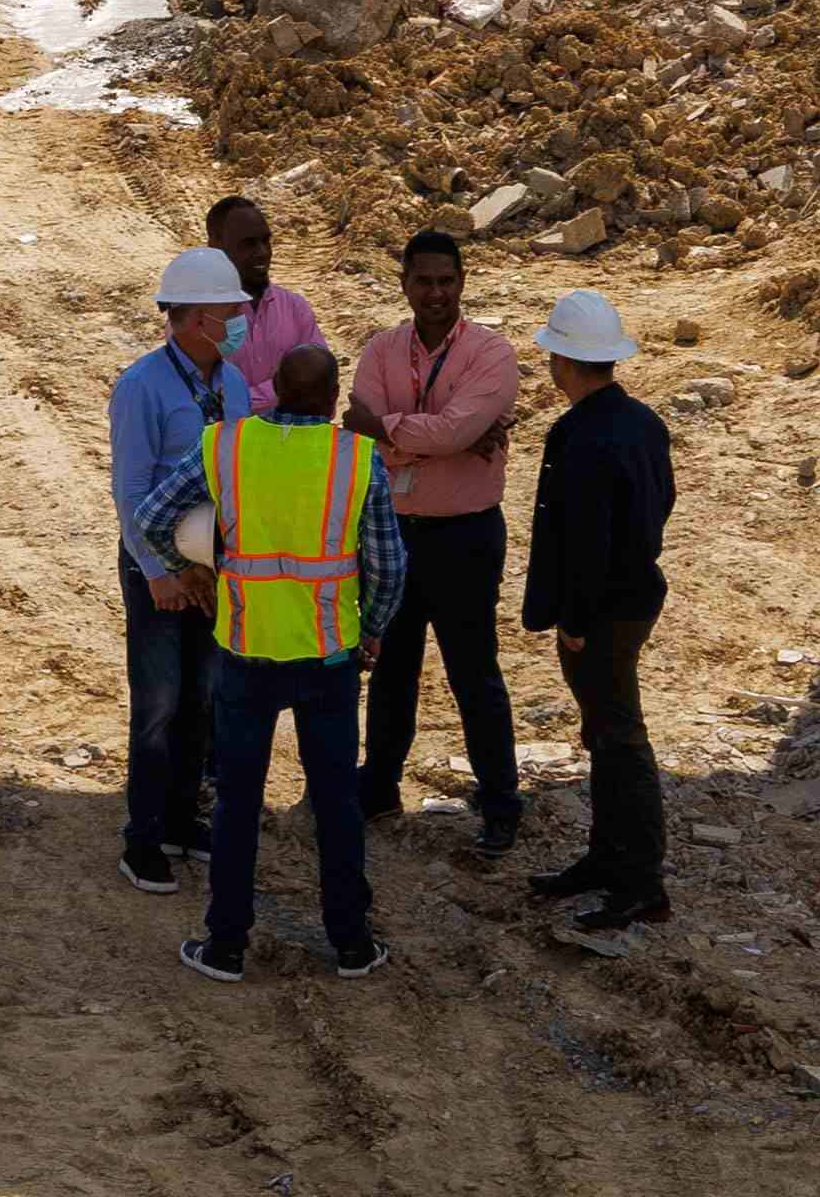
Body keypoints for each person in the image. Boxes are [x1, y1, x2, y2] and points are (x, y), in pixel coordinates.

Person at [141, 342, 409, 982]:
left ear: (278, 392)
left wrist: (191, 572)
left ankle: (226, 945)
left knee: (237, 802)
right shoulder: (356, 459)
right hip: (328, 655)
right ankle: (350, 943)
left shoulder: (226, 446)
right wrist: (371, 630)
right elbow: (390, 567)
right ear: (331, 398)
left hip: (243, 650)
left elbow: (153, 518)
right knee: (336, 801)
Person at [346, 230, 522, 857]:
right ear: (404, 284)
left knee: (473, 673)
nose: (436, 293)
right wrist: (437, 436)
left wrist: (394, 430)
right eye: (423, 281)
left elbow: (448, 430)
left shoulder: (492, 354)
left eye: (446, 280)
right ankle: (380, 788)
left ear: (463, 282)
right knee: (391, 669)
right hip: (390, 532)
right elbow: (361, 430)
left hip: (464, 536)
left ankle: (501, 802)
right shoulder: (380, 351)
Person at [516, 286, 674, 930]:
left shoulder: (578, 434)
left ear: (562, 361)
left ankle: (638, 880)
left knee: (618, 738)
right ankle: (609, 861)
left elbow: (585, 541)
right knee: (608, 735)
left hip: (600, 612)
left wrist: (575, 621)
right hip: (635, 597)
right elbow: (652, 513)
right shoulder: (643, 422)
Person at [104, 245, 247, 893]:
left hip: (213, 568)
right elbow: (131, 492)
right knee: (159, 703)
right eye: (230, 310)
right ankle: (144, 836)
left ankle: (183, 821)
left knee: (203, 698)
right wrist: (160, 572)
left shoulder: (235, 386)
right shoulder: (142, 387)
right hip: (158, 568)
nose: (241, 318)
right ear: (193, 319)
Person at [205, 193, 326, 410]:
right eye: (248, 244)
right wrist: (285, 391)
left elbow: (318, 382)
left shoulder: (295, 308)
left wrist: (242, 402)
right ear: (215, 247)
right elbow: (206, 400)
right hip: (226, 443)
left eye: (265, 241)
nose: (262, 252)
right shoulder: (197, 316)